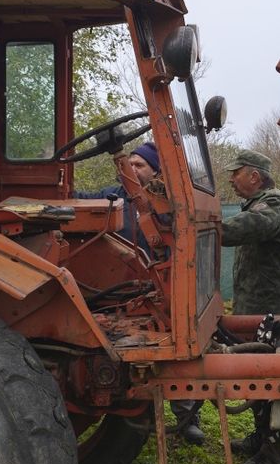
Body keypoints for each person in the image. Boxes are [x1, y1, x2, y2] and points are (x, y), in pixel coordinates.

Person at [77, 142, 205, 445]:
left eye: (139, 166)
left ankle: (187, 418)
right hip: (121, 287)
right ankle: (135, 408)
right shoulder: (114, 196)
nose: (131, 170)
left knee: (175, 348)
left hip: (161, 283)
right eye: (129, 164)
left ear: (155, 171)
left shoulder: (166, 202)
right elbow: (80, 201)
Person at [221, 149, 280, 464]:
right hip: (257, 307)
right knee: (257, 375)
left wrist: (209, 227)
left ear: (254, 176)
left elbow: (256, 226)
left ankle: (274, 452)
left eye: (235, 172)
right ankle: (260, 437)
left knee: (274, 379)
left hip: (274, 310)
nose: (230, 178)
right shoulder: (260, 201)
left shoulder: (275, 203)